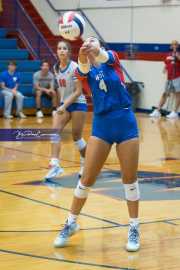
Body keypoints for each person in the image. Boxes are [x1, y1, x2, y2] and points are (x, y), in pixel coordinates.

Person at [54, 37, 140, 252]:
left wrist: (95, 50)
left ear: (100, 46)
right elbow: (82, 68)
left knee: (129, 179)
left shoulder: (113, 59)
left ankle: (134, 227)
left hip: (125, 121)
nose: (88, 44)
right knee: (87, 179)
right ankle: (71, 222)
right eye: (86, 42)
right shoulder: (83, 71)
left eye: (93, 41)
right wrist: (83, 56)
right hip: (102, 124)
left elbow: (104, 56)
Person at [45, 41, 87, 180]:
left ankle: (85, 162)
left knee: (77, 137)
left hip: (78, 103)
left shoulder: (75, 67)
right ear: (57, 51)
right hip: (64, 103)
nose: (61, 50)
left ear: (69, 52)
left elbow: (78, 91)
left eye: (64, 48)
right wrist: (58, 105)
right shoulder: (56, 68)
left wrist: (63, 106)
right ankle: (55, 165)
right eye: (59, 48)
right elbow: (60, 90)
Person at [150, 40, 180, 119]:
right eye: (172, 44)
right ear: (171, 46)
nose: (174, 46)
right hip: (169, 78)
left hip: (177, 77)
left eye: (176, 44)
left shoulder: (178, 54)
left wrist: (177, 55)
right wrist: (165, 68)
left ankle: (174, 112)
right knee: (165, 94)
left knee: (178, 94)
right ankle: (158, 111)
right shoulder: (168, 55)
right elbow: (167, 63)